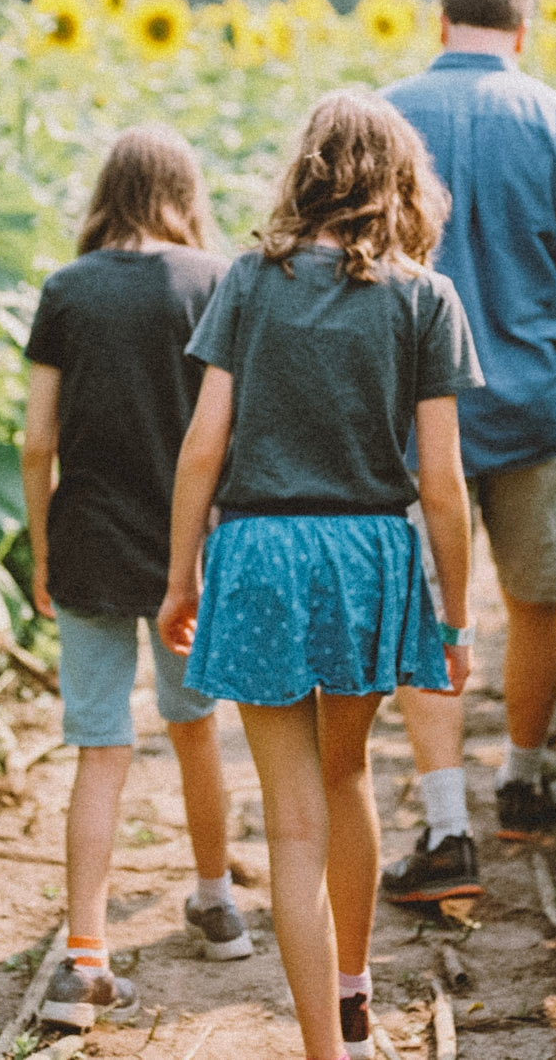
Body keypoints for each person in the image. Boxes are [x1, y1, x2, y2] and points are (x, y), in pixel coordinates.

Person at [158, 92, 481, 1060]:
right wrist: (455, 617)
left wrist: (181, 576)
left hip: (257, 554)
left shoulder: (250, 282)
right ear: (401, 181)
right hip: (366, 555)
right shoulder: (424, 297)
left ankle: (320, 1052)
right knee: (349, 776)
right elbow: (441, 480)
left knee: (288, 828)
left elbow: (200, 447)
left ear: (304, 170)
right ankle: (353, 985)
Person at [376, 0, 556, 904]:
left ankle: (446, 827)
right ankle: (523, 779)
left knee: (425, 612)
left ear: (440, 23)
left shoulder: (384, 120)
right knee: (537, 597)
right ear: (522, 33)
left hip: (411, 417)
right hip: (536, 406)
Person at [21, 125, 255, 1033]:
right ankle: (217, 902)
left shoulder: (66, 292)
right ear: (183, 192)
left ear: (106, 193)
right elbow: (228, 430)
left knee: (100, 744)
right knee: (197, 727)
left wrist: (41, 549)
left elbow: (38, 440)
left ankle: (85, 959)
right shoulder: (213, 282)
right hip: (187, 550)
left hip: (86, 539)